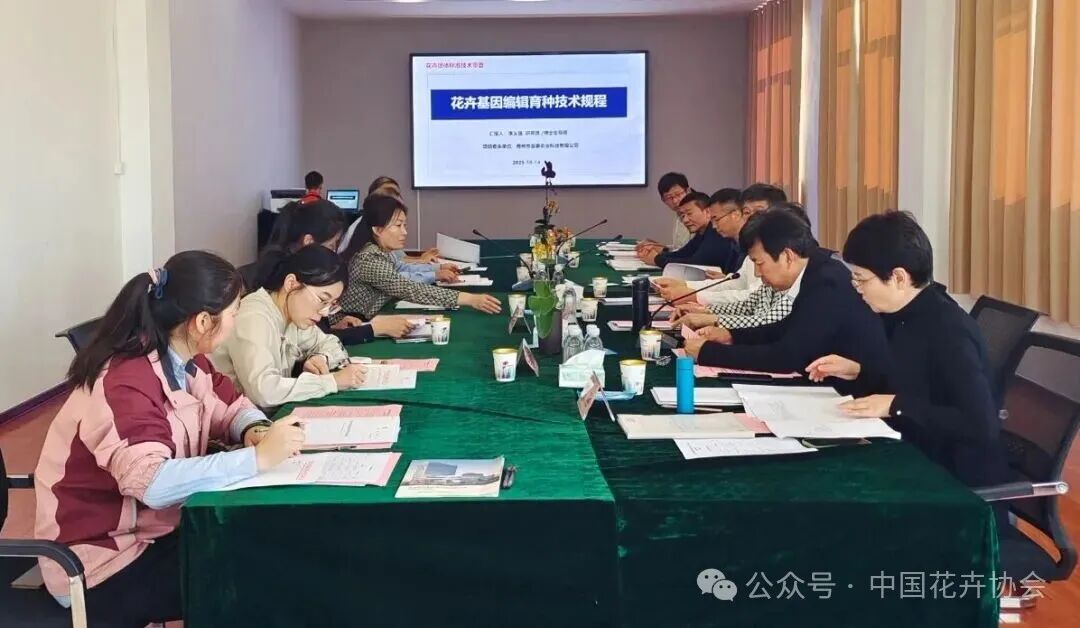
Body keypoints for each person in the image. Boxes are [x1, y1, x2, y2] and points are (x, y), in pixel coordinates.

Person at [34, 251, 305, 626]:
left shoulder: (185, 360)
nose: (237, 322)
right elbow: (153, 484)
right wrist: (256, 459)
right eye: (235, 312)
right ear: (203, 321)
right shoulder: (125, 382)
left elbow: (230, 404)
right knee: (252, 573)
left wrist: (254, 429)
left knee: (266, 544)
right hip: (98, 563)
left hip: (152, 533)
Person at [806, 211, 1009, 490]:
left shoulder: (947, 330)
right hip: (914, 448)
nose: (857, 289)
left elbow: (980, 425)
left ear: (899, 277)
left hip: (951, 477)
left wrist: (895, 406)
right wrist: (859, 371)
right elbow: (913, 379)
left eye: (861, 279)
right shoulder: (901, 314)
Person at [680, 208, 891, 389]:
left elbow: (787, 356)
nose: (758, 274)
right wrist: (731, 336)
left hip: (856, 394)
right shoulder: (817, 268)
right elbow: (786, 327)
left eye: (759, 263)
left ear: (787, 256)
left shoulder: (827, 282)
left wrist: (708, 353)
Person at [212, 245, 368, 410]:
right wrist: (331, 382)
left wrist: (321, 357)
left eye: (331, 304)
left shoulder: (291, 314)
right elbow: (263, 392)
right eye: (323, 300)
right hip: (235, 420)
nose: (324, 312)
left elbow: (331, 343)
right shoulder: (253, 317)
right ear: (291, 283)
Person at [250, 199, 416, 343]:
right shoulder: (287, 282)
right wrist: (373, 329)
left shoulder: (296, 272)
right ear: (309, 242)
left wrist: (335, 326)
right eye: (331, 245)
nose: (334, 253)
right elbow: (311, 343)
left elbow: (317, 338)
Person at [338, 194, 502, 318]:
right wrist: (470, 299)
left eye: (405, 225)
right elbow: (410, 289)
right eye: (398, 225)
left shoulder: (380, 251)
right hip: (352, 326)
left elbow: (403, 275)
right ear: (377, 230)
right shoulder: (369, 258)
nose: (404, 232)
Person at [671, 202, 809, 330]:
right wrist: (705, 312)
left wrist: (714, 320)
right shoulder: (774, 277)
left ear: (788, 256)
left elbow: (769, 323)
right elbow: (748, 305)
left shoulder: (810, 282)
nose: (757, 273)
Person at [654, 183, 789, 306]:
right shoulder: (753, 245)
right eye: (747, 212)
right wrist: (685, 285)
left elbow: (753, 299)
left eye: (759, 212)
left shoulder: (781, 249)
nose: (751, 218)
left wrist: (696, 297)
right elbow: (737, 283)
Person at [639, 192, 743, 272]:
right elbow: (683, 253)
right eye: (682, 216)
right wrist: (659, 255)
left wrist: (657, 259)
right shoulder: (702, 232)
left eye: (689, 214)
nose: (685, 220)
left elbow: (696, 264)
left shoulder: (717, 233)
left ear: (707, 212)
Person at [637, 171, 693, 259]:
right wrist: (656, 246)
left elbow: (691, 253)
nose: (675, 201)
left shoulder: (698, 215)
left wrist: (662, 252)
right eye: (669, 198)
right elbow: (679, 248)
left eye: (678, 195)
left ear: (688, 191)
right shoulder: (679, 216)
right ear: (663, 201)